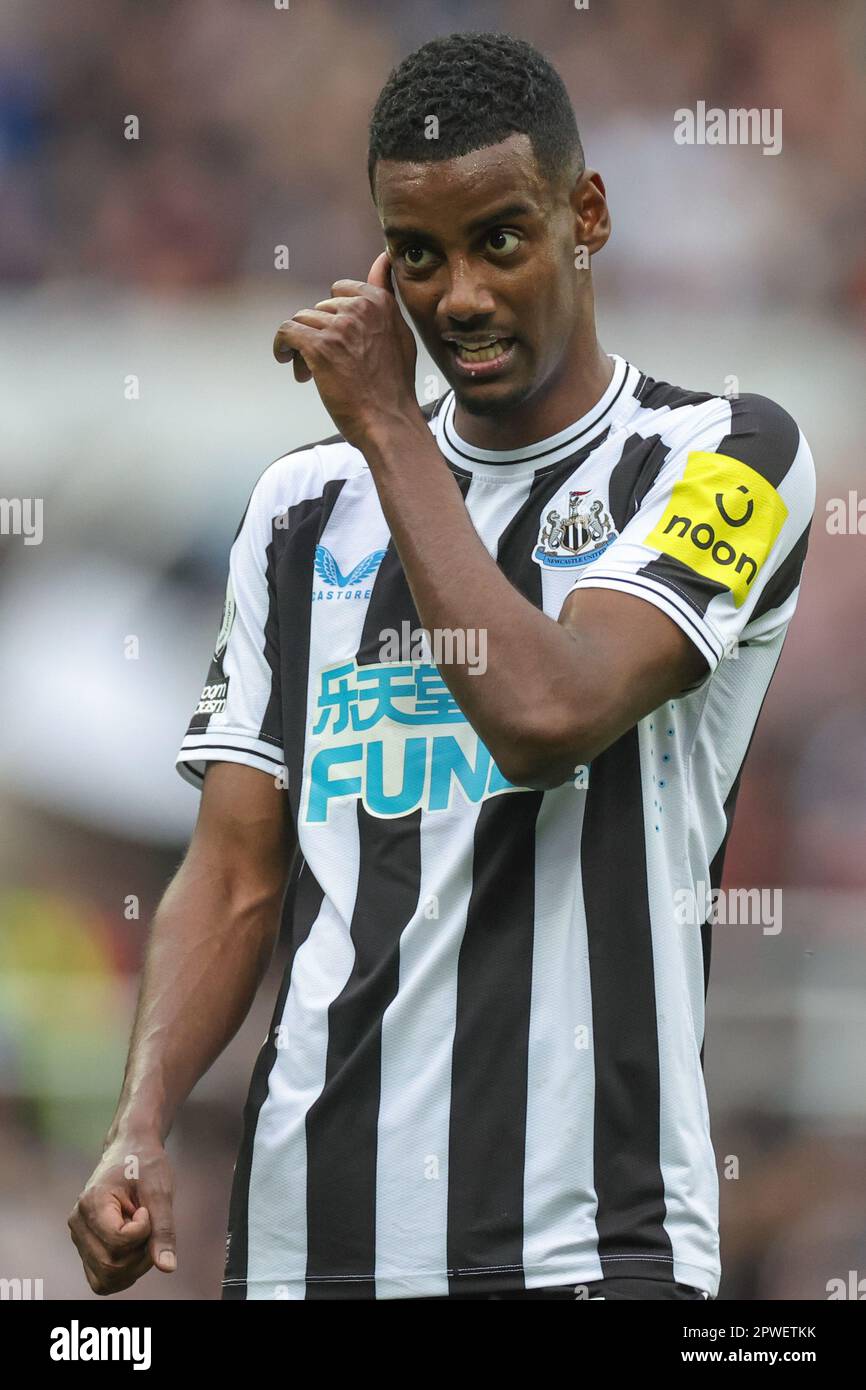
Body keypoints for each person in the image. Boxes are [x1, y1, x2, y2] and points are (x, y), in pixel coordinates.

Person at [69, 30, 815, 1301]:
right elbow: (239, 869)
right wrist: (137, 1117)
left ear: (586, 215)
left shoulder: (720, 454)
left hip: (591, 1244)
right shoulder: (302, 511)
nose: (456, 296)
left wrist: (388, 429)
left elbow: (550, 710)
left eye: (499, 242)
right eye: (416, 256)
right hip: (308, 1251)